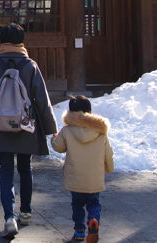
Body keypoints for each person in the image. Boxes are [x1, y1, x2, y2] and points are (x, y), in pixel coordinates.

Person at [0, 23, 57, 239]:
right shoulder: (30, 66)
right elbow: (41, 98)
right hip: (25, 123)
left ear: (1, 40)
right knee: (25, 168)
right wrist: (50, 127)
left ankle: (9, 217)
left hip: (1, 123)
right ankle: (26, 213)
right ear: (21, 41)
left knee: (5, 171)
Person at [51, 96, 114, 243]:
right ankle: (93, 219)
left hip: (75, 176)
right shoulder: (100, 130)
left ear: (71, 112)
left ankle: (79, 231)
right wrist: (109, 168)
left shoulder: (67, 130)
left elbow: (58, 147)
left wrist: (54, 138)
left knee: (77, 204)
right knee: (94, 203)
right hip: (94, 177)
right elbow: (108, 152)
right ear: (90, 111)